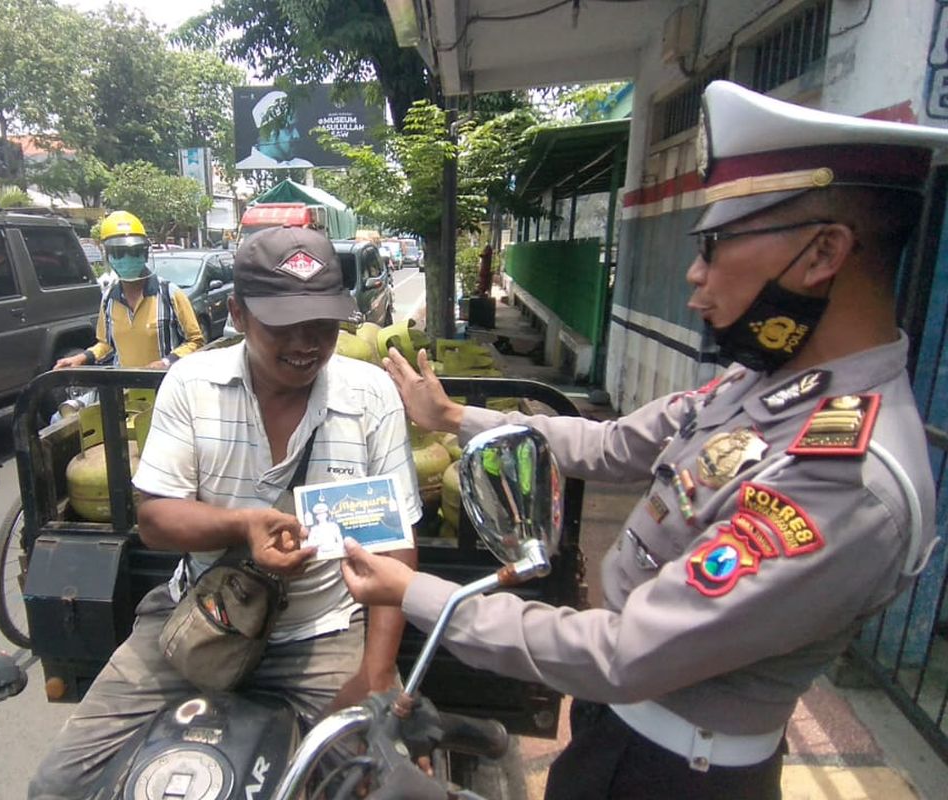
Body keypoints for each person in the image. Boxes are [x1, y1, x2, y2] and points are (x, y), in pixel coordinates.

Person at [339, 80, 948, 800]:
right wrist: (454, 420)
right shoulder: (761, 384)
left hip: (676, 774)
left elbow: (627, 651)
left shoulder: (847, 476)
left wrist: (420, 594)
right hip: (617, 728)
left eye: (714, 246)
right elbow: (611, 444)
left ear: (821, 254)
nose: (693, 276)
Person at [29, 225, 422, 799]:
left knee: (386, 786)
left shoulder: (370, 396)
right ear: (237, 313)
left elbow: (393, 545)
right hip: (200, 616)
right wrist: (243, 524)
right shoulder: (192, 384)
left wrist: (378, 670)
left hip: (323, 633)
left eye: (323, 324)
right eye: (284, 325)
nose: (307, 343)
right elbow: (157, 519)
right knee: (57, 784)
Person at [54, 211, 204, 370]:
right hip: (125, 388)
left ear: (145, 254)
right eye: (119, 253)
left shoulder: (170, 294)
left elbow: (196, 341)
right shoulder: (109, 299)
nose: (127, 259)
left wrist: (166, 362)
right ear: (109, 257)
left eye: (134, 252)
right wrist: (81, 358)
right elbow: (107, 345)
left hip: (165, 387)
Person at [236, 90, 315, 169]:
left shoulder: (304, 165)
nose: (296, 135)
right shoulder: (243, 166)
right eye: (289, 128)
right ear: (270, 131)